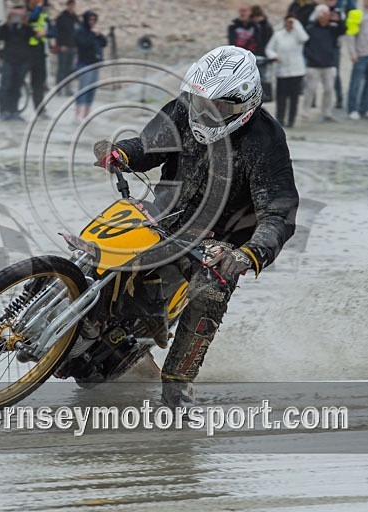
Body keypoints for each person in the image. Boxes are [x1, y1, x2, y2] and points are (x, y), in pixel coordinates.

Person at [92, 45, 298, 408]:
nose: (206, 113)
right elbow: (148, 145)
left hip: (218, 242)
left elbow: (278, 210)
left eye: (219, 107)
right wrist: (121, 153)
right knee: (98, 246)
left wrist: (251, 253)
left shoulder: (265, 140)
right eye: (200, 103)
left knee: (211, 288)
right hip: (164, 214)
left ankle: (177, 387)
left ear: (244, 102)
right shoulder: (183, 108)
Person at [303, 4, 346, 121]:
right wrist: (310, 57)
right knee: (310, 89)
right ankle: (305, 111)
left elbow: (343, 30)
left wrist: (339, 20)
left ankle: (326, 112)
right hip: (313, 64)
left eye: (328, 14)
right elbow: (306, 45)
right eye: (325, 14)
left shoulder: (332, 29)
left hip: (329, 63)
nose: (327, 17)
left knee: (329, 89)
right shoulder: (311, 29)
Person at [265, 15, 310, 127]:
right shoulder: (278, 35)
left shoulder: (298, 35)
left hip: (296, 70)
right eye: (288, 22)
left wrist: (297, 24)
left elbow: (305, 38)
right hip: (282, 70)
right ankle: (280, 119)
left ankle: (291, 120)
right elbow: (269, 48)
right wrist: (274, 55)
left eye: (292, 22)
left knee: (294, 97)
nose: (290, 24)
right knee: (281, 97)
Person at [0, 7, 35, 120]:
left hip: (23, 60)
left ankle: (14, 110)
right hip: (9, 59)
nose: (17, 19)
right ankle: (4, 110)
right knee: (5, 85)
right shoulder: (6, 28)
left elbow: (34, 37)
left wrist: (26, 23)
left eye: (19, 17)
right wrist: (7, 23)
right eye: (15, 17)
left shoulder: (27, 28)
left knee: (17, 86)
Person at [74, 10, 107, 122]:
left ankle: (86, 114)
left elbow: (104, 43)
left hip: (95, 64)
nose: (92, 22)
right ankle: (77, 114)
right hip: (84, 64)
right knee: (83, 89)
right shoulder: (80, 31)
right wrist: (92, 35)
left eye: (94, 20)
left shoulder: (94, 32)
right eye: (90, 19)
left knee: (92, 90)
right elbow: (82, 44)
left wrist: (99, 35)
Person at [25, 0, 51, 115]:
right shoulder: (24, 12)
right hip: (25, 51)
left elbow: (53, 31)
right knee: (15, 81)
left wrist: (46, 33)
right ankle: (10, 110)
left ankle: (40, 109)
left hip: (40, 53)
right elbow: (31, 19)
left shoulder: (43, 15)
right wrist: (39, 8)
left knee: (39, 83)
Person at [54, 0, 79, 96]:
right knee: (62, 68)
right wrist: (60, 45)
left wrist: (77, 45)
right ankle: (59, 88)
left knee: (69, 69)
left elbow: (78, 31)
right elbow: (58, 33)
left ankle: (68, 89)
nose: (72, 7)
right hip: (64, 47)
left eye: (73, 5)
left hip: (72, 46)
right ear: (68, 5)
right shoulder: (61, 17)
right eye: (71, 5)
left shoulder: (75, 18)